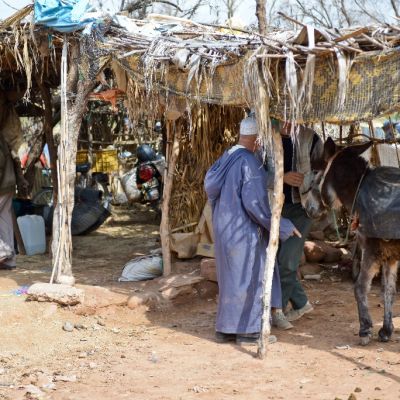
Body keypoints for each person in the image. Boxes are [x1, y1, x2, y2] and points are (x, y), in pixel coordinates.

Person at [204, 114, 299, 346]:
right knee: (250, 276)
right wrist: (282, 225)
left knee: (230, 278)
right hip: (243, 230)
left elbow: (210, 187)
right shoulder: (250, 162)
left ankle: (225, 330)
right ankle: (248, 332)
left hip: (224, 227)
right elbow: (255, 206)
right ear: (258, 139)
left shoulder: (227, 156)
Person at [266, 120, 323, 328]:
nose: (289, 121)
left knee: (287, 262)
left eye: (293, 115)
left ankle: (277, 310)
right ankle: (301, 303)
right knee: (276, 261)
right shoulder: (265, 137)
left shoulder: (311, 138)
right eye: (284, 115)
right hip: (274, 207)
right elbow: (256, 174)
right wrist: (281, 178)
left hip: (302, 208)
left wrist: (314, 193)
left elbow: (322, 172)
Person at [0, 104, 28, 270]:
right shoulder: (6, 137)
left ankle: (2, 251)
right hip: (8, 184)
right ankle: (9, 260)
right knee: (4, 219)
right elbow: (16, 157)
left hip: (2, 184)